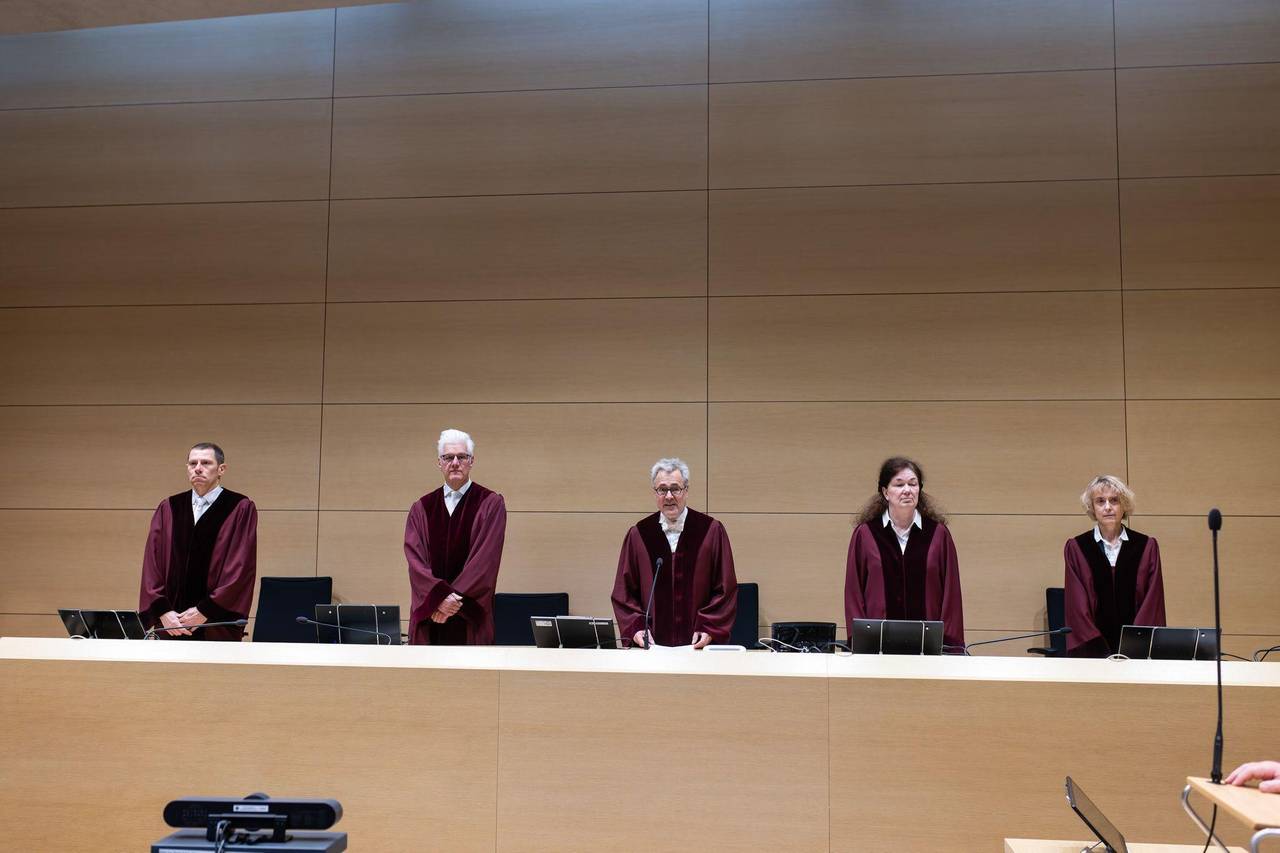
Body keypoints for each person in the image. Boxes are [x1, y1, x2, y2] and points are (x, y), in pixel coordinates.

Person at [612, 458, 737, 648]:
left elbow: (725, 589)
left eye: (675, 489)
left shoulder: (711, 531)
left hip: (697, 648)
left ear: (686, 490)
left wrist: (709, 627)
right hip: (652, 649)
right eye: (662, 489)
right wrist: (636, 627)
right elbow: (624, 592)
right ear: (655, 493)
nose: (669, 496)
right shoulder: (639, 534)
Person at [138, 442, 257, 641]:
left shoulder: (239, 507)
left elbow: (240, 567)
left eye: (206, 463)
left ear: (221, 469)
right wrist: (163, 611)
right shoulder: (169, 507)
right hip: (171, 623)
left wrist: (205, 611)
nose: (198, 468)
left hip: (213, 624)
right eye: (193, 463)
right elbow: (152, 564)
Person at [845, 456, 964, 651]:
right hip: (876, 647)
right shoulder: (866, 534)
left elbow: (951, 594)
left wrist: (950, 647)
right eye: (899, 484)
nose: (907, 490)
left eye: (913, 484)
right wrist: (859, 642)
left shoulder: (938, 534)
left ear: (919, 489)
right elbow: (854, 593)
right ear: (885, 492)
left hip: (928, 648)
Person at [405, 428, 506, 645]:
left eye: (462, 456)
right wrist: (437, 600)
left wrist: (448, 602)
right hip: (430, 620)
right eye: (448, 457)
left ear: (472, 461)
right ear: (439, 463)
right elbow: (415, 563)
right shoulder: (421, 508)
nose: (455, 463)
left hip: (469, 619)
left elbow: (485, 562)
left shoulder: (490, 504)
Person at [1063, 474, 1166, 658]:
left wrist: (1135, 644)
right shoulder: (1077, 548)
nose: (1108, 507)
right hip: (1093, 653)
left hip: (1137, 652)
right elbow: (1076, 606)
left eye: (1114, 500)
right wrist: (1097, 649)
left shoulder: (1146, 546)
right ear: (1092, 508)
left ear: (1124, 505)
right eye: (1100, 501)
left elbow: (1152, 603)